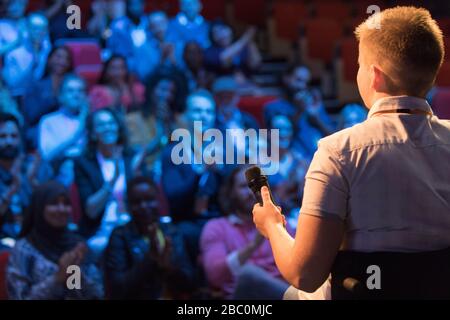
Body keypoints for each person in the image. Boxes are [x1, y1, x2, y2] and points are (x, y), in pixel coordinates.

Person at [252, 7, 450, 299]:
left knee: (293, 294)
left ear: (374, 76)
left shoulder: (338, 152)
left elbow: (304, 274)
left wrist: (272, 226)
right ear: (432, 76)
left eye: (359, 64)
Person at [200, 166, 290, 299]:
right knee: (248, 274)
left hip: (280, 292)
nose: (251, 192)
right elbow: (215, 275)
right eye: (243, 186)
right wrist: (253, 246)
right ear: (231, 192)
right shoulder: (216, 228)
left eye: (256, 186)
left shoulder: (280, 224)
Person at [6, 181, 104, 300]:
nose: (61, 209)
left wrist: (74, 272)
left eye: (66, 203)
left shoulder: (76, 246)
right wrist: (58, 278)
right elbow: (19, 296)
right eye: (54, 203)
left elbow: (95, 295)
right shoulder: (24, 249)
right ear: (40, 207)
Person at [104, 176, 195, 299]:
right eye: (137, 202)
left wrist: (169, 268)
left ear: (159, 202)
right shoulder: (120, 236)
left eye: (149, 200)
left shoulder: (171, 232)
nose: (144, 206)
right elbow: (117, 289)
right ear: (128, 205)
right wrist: (150, 259)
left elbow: (191, 282)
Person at [161, 90, 223, 264]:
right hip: (187, 221)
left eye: (209, 111)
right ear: (186, 115)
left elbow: (234, 191)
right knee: (185, 234)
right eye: (197, 111)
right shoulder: (172, 152)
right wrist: (200, 171)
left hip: (219, 219)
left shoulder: (225, 150)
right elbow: (174, 196)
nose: (204, 116)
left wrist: (222, 172)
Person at [74, 108, 142, 256]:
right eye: (101, 125)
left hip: (132, 228)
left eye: (111, 123)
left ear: (118, 127)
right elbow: (91, 210)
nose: (108, 128)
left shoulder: (132, 158)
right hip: (100, 233)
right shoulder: (85, 163)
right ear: (93, 133)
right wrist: (113, 180)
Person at [263, 65, 335, 159]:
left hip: (318, 159)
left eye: (306, 82)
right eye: (298, 80)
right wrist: (300, 111)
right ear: (286, 78)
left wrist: (316, 119)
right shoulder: (272, 107)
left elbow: (333, 137)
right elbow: (279, 139)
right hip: (292, 161)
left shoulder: (313, 106)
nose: (302, 86)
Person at [0, 112, 52, 241]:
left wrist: (32, 181)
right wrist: (12, 189)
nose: (9, 141)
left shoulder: (35, 166)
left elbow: (54, 207)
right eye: (2, 136)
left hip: (36, 237)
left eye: (14, 136)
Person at [126, 67, 188, 175]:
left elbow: (186, 152)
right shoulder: (133, 120)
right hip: (144, 172)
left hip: (172, 175)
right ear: (151, 90)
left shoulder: (179, 120)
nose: (167, 95)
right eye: (163, 90)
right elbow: (137, 153)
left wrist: (170, 125)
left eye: (171, 92)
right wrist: (160, 128)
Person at [23, 46, 74, 149]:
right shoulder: (36, 86)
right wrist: (53, 100)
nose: (62, 61)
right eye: (58, 57)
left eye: (66, 58)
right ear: (49, 59)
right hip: (40, 128)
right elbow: (31, 115)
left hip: (68, 127)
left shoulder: (73, 85)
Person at [1, 13, 52, 98]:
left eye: (43, 29)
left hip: (37, 96)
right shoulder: (15, 53)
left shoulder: (47, 49)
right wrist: (33, 62)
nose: (39, 32)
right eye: (35, 28)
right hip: (14, 96)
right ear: (27, 30)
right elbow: (12, 84)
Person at [132, 11, 184, 81]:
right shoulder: (143, 48)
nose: (159, 28)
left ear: (167, 23)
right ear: (150, 27)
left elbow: (184, 73)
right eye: (154, 25)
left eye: (162, 23)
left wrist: (173, 60)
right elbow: (143, 76)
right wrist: (161, 60)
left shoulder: (179, 45)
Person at [106, 0, 149, 73]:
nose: (135, 8)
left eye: (138, 5)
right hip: (126, 63)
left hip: (147, 61)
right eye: (132, 5)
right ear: (127, 6)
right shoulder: (117, 25)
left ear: (143, 5)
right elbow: (110, 45)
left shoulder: (148, 22)